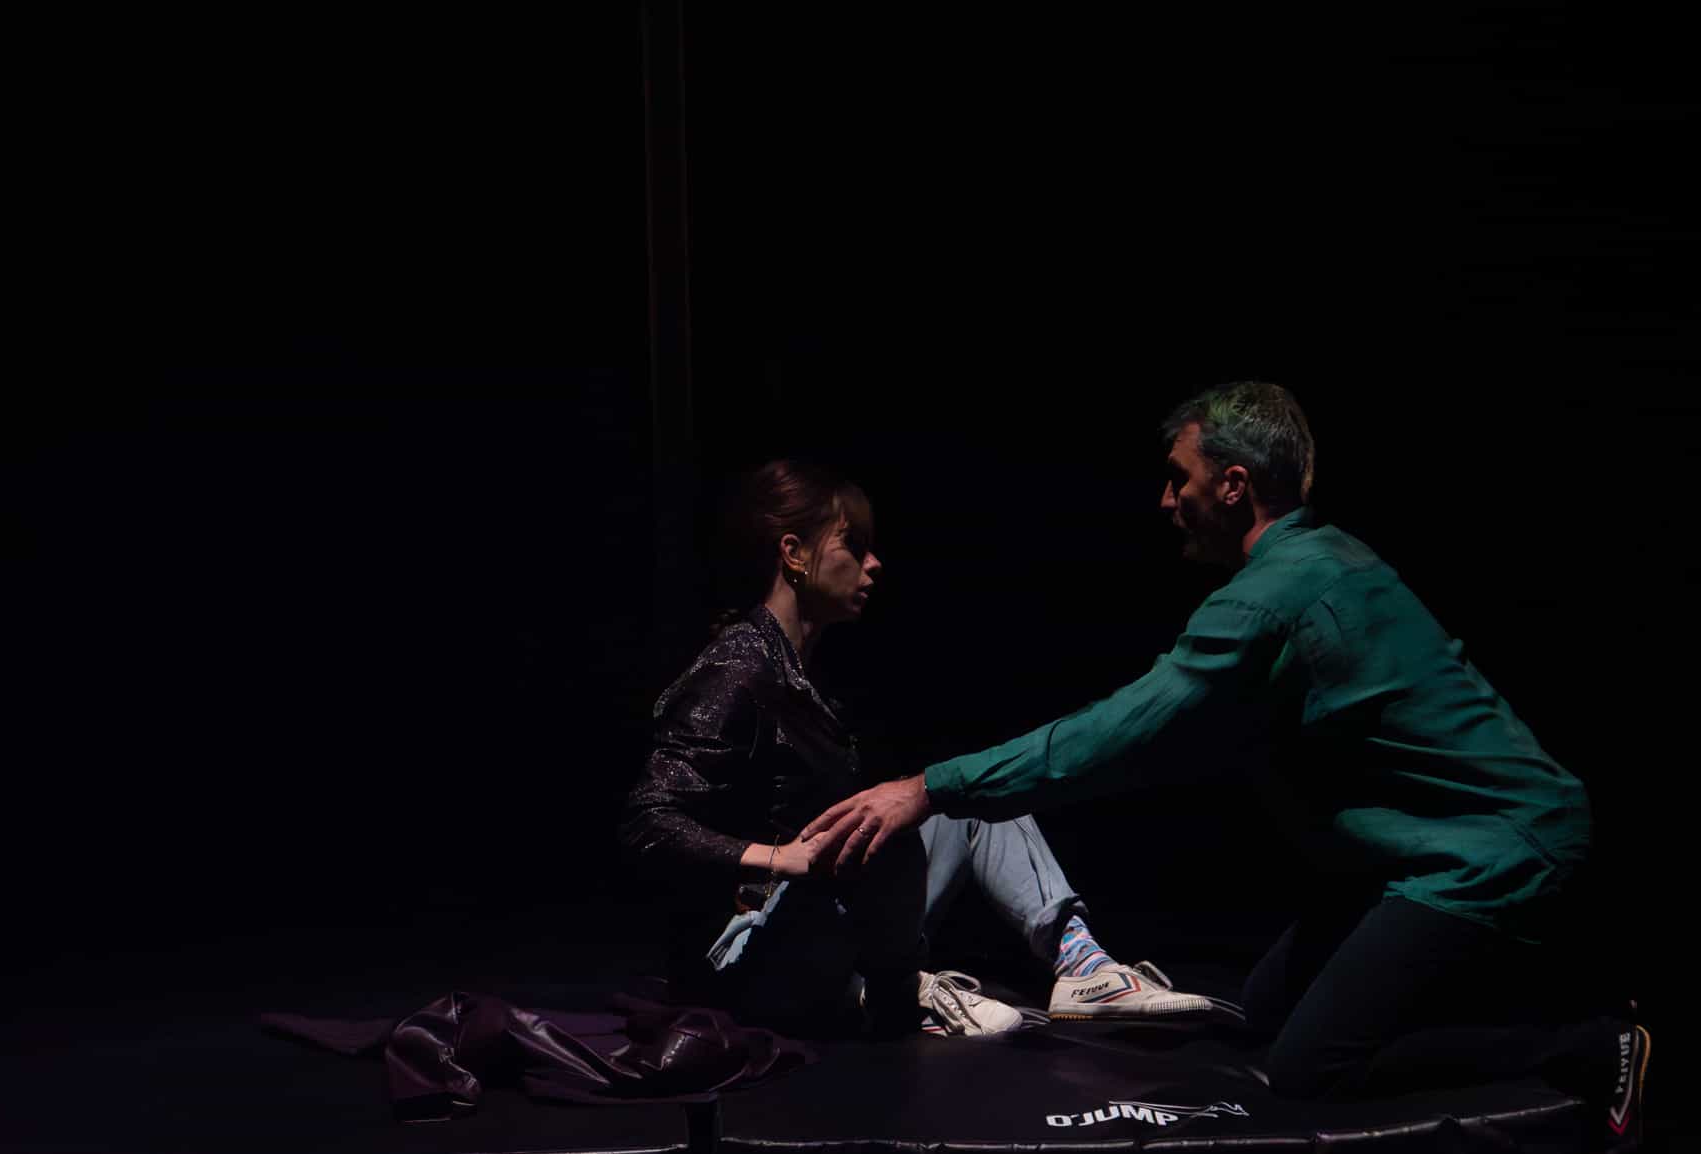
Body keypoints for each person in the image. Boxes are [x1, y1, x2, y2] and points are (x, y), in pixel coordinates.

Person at [800, 383, 1649, 1142]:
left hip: (1488, 851)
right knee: (1266, 1011)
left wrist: (931, 788)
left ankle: (1584, 1043)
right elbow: (1166, 748)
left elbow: (1120, 733)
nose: (1167, 499)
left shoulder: (1274, 595)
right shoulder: (1327, 556)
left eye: (1181, 479)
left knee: (1311, 1069)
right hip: (1416, 851)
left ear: (1234, 485)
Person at [619, 459, 1228, 1039]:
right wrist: (777, 858)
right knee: (892, 832)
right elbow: (649, 821)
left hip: (822, 921)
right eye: (853, 545)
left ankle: (1082, 966)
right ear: (795, 554)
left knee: (962, 794)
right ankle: (894, 991)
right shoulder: (738, 666)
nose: (874, 563)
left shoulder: (808, 673)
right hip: (750, 949)